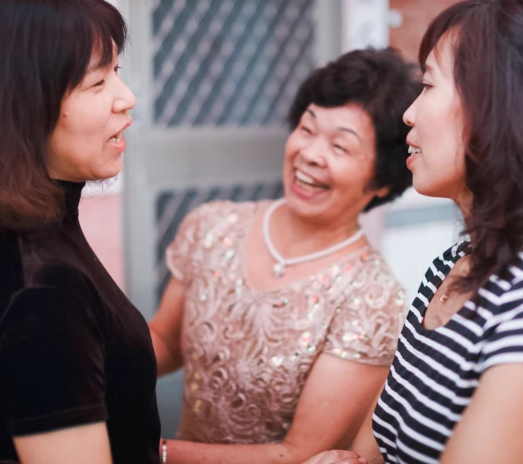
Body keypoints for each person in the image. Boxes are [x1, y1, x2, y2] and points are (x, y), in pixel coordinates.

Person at [307, 0, 523, 464]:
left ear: (502, 107)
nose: (408, 114)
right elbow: (378, 448)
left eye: (428, 86)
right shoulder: (453, 265)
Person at [0, 0, 160, 464]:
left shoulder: (13, 227)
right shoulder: (40, 292)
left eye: (118, 71)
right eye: (98, 81)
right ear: (21, 108)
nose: (127, 97)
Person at [148, 48, 421, 463]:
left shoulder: (373, 299)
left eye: (340, 146)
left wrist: (151, 452)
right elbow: (165, 340)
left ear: (383, 179)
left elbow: (299, 454)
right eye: (307, 129)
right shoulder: (213, 226)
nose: (310, 154)